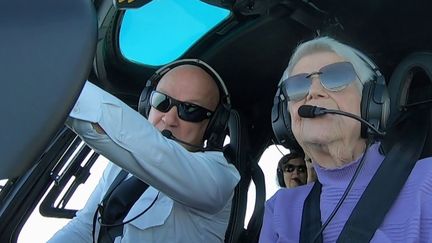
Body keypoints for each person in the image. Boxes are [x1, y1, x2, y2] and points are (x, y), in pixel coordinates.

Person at [260, 36, 432, 242]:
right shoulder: (279, 208)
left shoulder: (427, 180)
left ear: (371, 102)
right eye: (297, 86)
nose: (313, 92)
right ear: (286, 117)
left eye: (336, 76)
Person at [49, 59, 240, 242]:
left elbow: (156, 152)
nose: (169, 119)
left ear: (213, 125)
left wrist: (56, 84)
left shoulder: (218, 179)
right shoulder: (118, 168)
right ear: (146, 103)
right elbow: (84, 228)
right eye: (162, 101)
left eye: (190, 110)